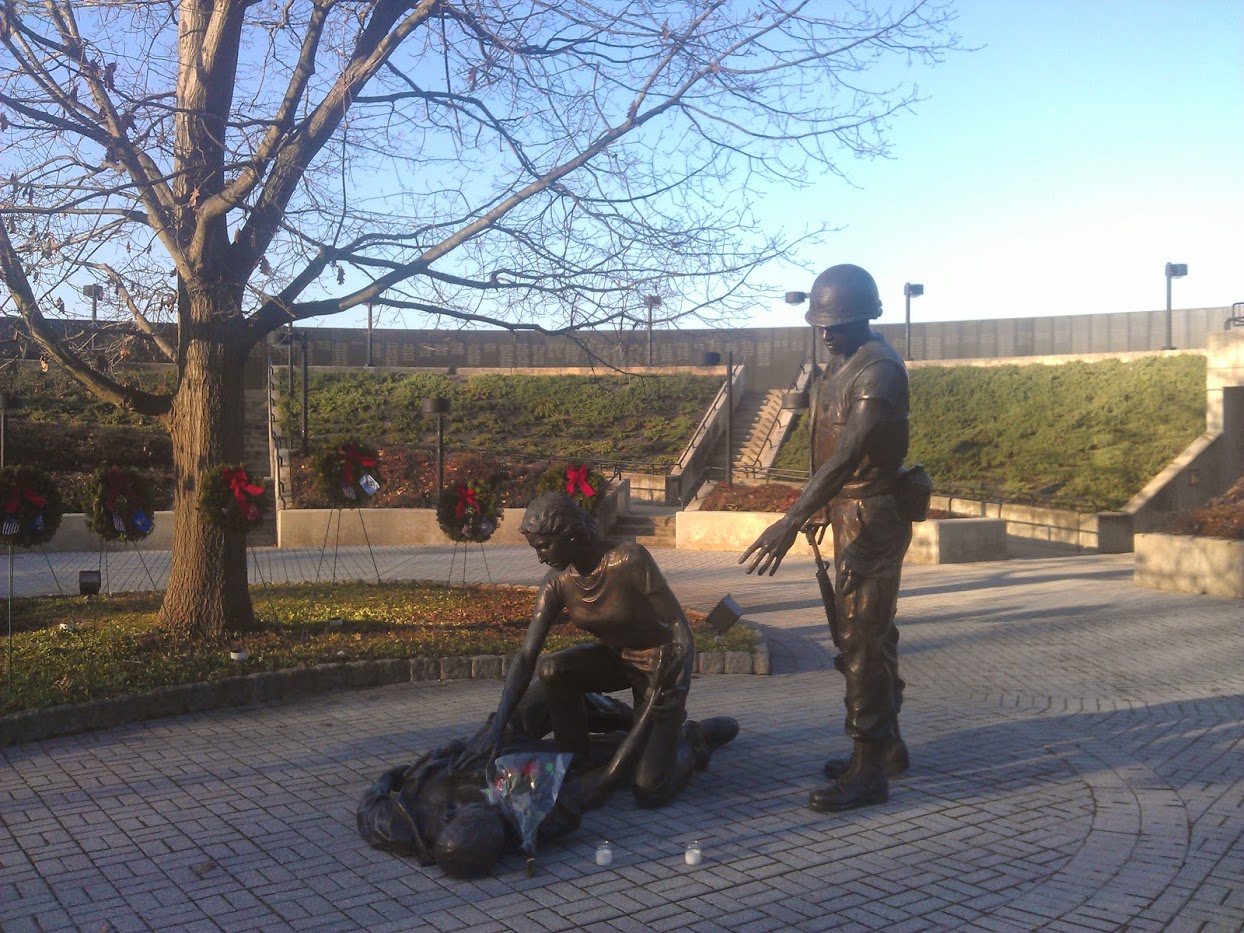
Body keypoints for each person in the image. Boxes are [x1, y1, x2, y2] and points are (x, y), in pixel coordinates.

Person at [741, 263, 924, 813]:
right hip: (847, 508)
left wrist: (793, 517)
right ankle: (886, 746)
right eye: (819, 322)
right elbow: (825, 448)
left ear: (865, 316)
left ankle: (869, 769)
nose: (824, 332)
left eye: (835, 322)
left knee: (862, 637)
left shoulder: (879, 371)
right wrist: (819, 508)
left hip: (872, 513)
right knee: (869, 632)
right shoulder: (837, 365)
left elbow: (848, 455)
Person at [455, 492, 731, 809]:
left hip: (658, 667)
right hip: (613, 659)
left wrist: (677, 683)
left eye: (544, 546)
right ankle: (577, 756)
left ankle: (691, 742)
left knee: (649, 789)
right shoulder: (556, 583)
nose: (541, 558)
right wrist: (497, 728)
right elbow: (527, 656)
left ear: (570, 535)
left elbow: (681, 630)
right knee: (552, 668)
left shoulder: (630, 559)